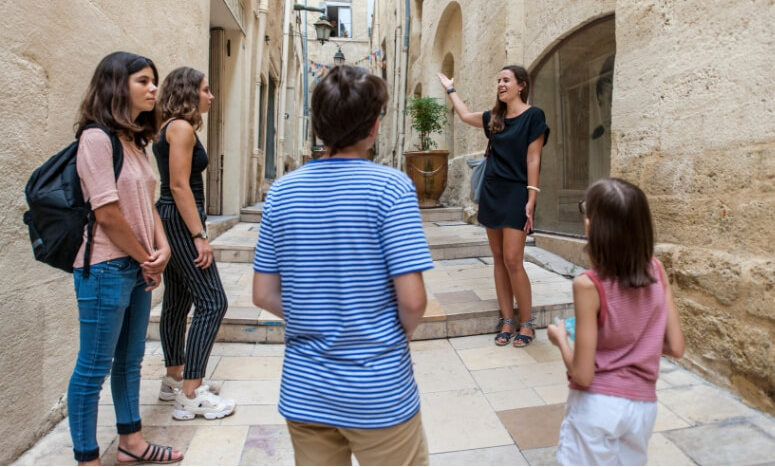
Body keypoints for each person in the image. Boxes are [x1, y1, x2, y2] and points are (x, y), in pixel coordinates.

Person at [252, 65, 432, 466]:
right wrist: (376, 330)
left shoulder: (280, 193)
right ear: (373, 126)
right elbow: (414, 301)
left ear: (318, 124)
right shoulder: (392, 187)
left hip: (305, 390)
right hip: (378, 389)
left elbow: (263, 294)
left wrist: (315, 315)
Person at [69, 51, 182, 465]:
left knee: (130, 361)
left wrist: (163, 247)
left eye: (154, 80)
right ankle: (86, 457)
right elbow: (107, 214)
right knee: (93, 368)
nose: (154, 88)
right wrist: (145, 257)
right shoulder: (95, 139)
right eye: (143, 81)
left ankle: (131, 443)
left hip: (137, 267)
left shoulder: (134, 141)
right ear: (118, 85)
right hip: (105, 267)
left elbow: (146, 202)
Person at [547, 178, 685, 465]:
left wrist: (561, 340)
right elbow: (676, 346)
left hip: (597, 407)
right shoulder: (657, 269)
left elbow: (583, 375)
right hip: (643, 407)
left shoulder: (589, 285)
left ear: (593, 226)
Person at [437, 67, 549, 347]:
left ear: (521, 86)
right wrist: (451, 89)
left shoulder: (534, 116)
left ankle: (527, 324)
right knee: (498, 259)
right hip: (492, 192)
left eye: (506, 80)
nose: (500, 84)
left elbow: (533, 160)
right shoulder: (494, 118)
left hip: (516, 192)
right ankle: (507, 320)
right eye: (498, 80)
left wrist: (532, 198)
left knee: (513, 259)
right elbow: (464, 115)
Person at [152, 67, 235, 420]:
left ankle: (174, 378)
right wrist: (200, 235)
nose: (211, 96)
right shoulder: (181, 128)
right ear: (188, 93)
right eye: (205, 89)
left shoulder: (168, 126)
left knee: (177, 299)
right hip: (180, 218)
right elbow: (179, 185)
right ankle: (191, 393)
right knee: (213, 302)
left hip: (170, 217)